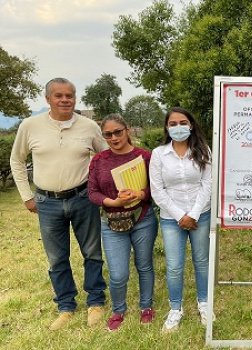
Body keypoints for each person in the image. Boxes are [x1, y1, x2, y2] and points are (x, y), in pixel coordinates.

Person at [9, 77, 107, 330]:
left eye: (70, 95)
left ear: (75, 98)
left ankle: (96, 301)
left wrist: (103, 190)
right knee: (57, 258)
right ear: (47, 99)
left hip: (84, 198)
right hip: (47, 202)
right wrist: (26, 196)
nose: (65, 100)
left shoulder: (88, 126)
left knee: (92, 253)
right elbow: (17, 161)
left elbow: (105, 157)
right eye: (59, 95)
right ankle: (66, 306)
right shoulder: (30, 126)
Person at [88, 114, 158, 331]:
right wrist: (113, 201)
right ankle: (119, 310)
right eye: (108, 134)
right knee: (118, 273)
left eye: (118, 132)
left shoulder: (145, 157)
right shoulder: (98, 160)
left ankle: (146, 307)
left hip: (142, 218)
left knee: (144, 265)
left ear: (127, 129)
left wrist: (140, 193)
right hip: (112, 222)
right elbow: (92, 192)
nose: (114, 137)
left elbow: (156, 189)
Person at [149, 107, 212, 332]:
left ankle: (204, 303)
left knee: (202, 262)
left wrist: (193, 214)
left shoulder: (203, 150)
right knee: (174, 266)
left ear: (191, 125)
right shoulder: (158, 154)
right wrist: (180, 216)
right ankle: (175, 308)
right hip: (171, 219)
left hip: (201, 215)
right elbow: (157, 190)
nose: (178, 127)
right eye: (173, 124)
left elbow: (208, 184)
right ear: (167, 128)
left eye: (182, 122)